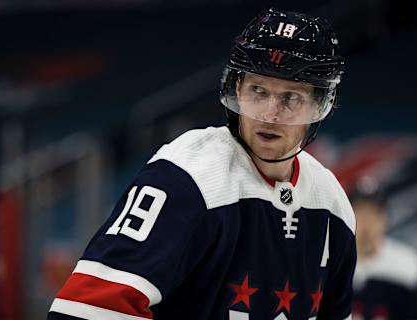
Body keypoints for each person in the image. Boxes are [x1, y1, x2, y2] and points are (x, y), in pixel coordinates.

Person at [47, 7, 356, 320]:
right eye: (258, 91)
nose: (269, 113)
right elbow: (82, 311)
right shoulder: (186, 176)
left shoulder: (331, 201)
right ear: (237, 88)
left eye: (291, 98)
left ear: (319, 105)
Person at [350, 185, 417, 320]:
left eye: (373, 213)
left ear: (385, 219)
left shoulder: (410, 264)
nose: (366, 221)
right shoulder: (328, 262)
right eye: (360, 212)